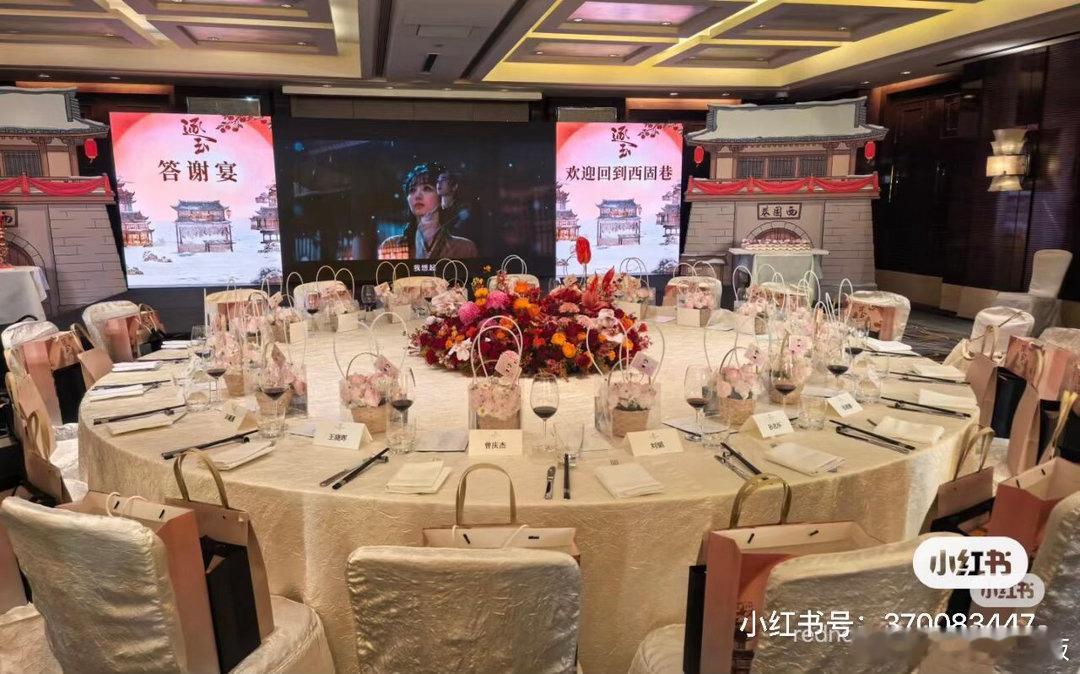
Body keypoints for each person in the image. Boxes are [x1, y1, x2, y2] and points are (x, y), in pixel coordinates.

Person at [378, 162, 478, 260]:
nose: (417, 196)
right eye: (412, 190)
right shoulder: (391, 245)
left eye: (427, 188)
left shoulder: (464, 247)